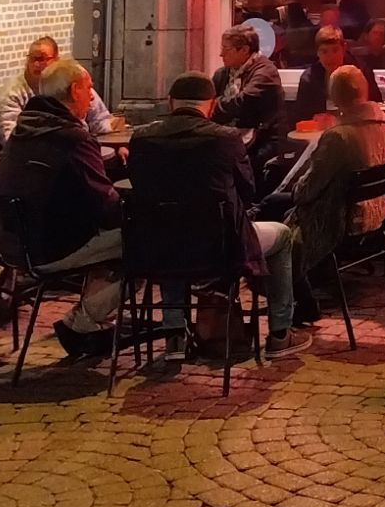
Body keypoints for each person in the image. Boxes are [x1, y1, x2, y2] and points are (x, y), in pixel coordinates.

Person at [126, 73, 310, 361]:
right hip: (221, 247)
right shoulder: (226, 138)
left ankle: (174, 335)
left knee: (169, 229)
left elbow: (140, 187)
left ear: (171, 102)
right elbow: (247, 189)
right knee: (283, 235)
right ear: (211, 105)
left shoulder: (141, 138)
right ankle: (280, 334)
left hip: (158, 246)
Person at [0, 58, 124, 357]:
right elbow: (104, 203)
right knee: (147, 240)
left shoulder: (24, 131)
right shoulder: (71, 137)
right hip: (52, 246)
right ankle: (82, 323)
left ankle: (91, 325)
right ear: (75, 90)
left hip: (14, 244)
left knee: (118, 244)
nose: (92, 97)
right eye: (88, 88)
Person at [263, 65, 385, 311]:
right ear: (365, 90)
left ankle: (287, 291)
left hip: (340, 219)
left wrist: (296, 186)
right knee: (272, 203)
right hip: (378, 213)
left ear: (334, 98)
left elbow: (306, 192)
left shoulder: (338, 137)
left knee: (270, 204)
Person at [0, 36, 117, 142]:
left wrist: (118, 144)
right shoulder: (12, 93)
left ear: (57, 60)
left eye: (42, 59)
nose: (36, 65)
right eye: (33, 59)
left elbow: (101, 121)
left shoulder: (71, 83)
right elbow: (11, 138)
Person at [293, 25, 381, 121]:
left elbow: (376, 106)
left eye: (335, 50)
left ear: (344, 49)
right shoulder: (309, 80)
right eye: (324, 51)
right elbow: (301, 118)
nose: (330, 57)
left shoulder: (361, 72)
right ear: (317, 52)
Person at [211, 25, 283, 136]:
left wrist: (212, 106)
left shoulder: (266, 72)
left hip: (260, 139)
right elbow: (207, 99)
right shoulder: (222, 74)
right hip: (226, 136)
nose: (221, 54)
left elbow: (244, 102)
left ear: (245, 50)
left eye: (226, 49)